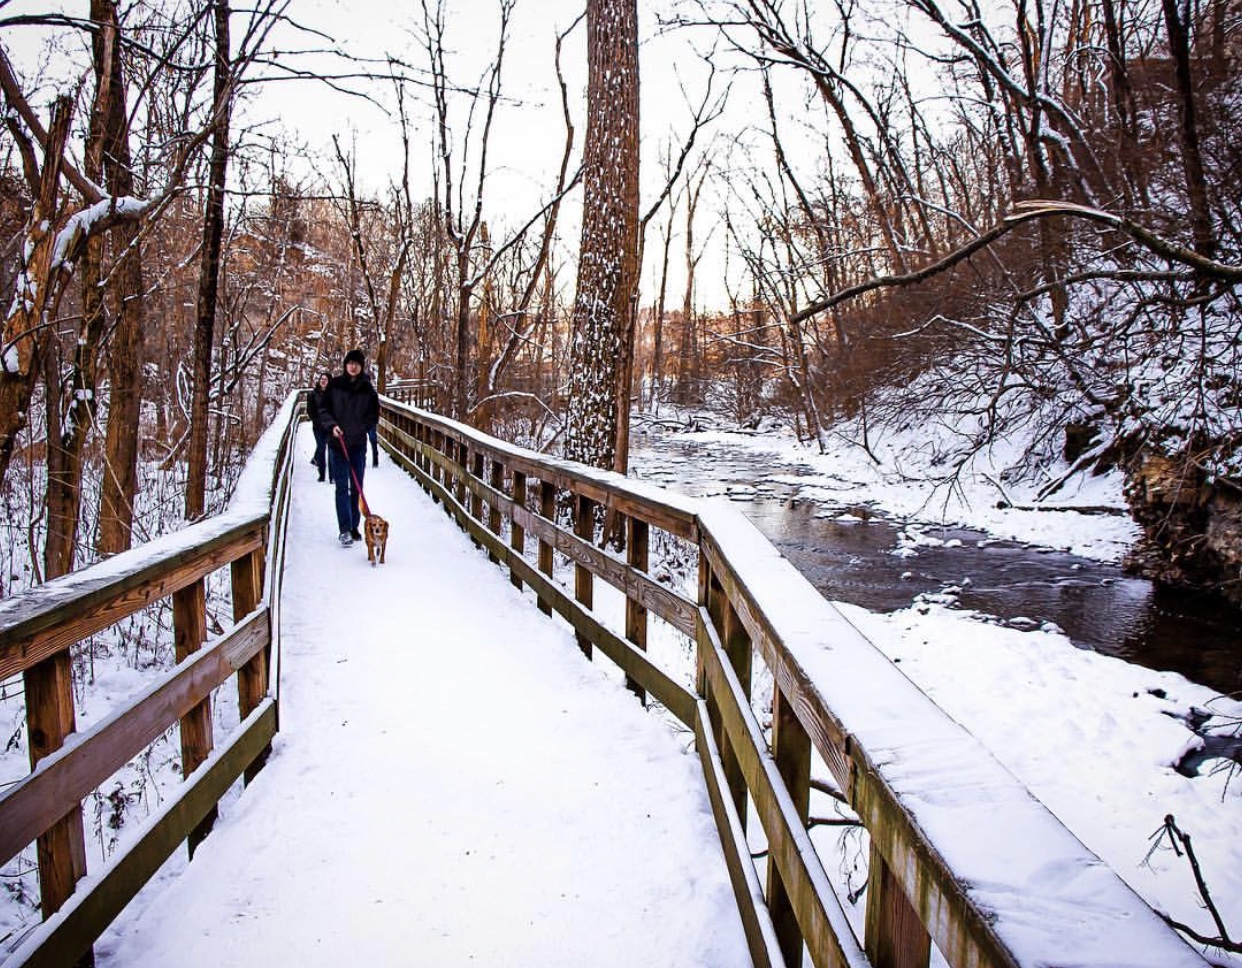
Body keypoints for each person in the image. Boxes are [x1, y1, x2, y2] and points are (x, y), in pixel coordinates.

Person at [319, 348, 379, 547]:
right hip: (338, 444)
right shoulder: (334, 385)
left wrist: (363, 427)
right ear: (345, 365)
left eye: (357, 363)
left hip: (358, 445)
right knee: (341, 487)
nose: (353, 366)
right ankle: (344, 528)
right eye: (350, 363)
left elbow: (374, 415)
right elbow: (323, 409)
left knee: (357, 487)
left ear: (361, 366)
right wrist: (332, 426)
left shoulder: (367, 389)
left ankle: (354, 526)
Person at [306, 372, 332, 482]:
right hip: (318, 427)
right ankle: (321, 474)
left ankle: (332, 476)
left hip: (331, 427)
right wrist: (318, 421)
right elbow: (310, 411)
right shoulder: (313, 394)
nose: (323, 381)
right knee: (321, 448)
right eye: (322, 379)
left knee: (332, 451)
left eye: (325, 379)